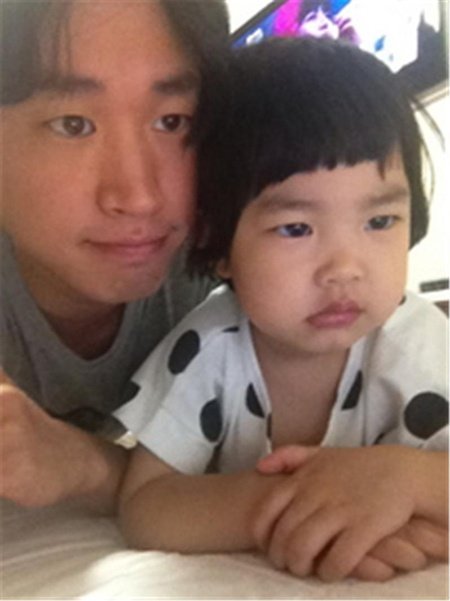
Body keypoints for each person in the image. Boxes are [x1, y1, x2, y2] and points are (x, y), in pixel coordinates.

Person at [116, 38, 448, 582]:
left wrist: (410, 481)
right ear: (219, 245)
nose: (345, 268)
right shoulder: (209, 348)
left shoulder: (420, 344)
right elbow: (145, 504)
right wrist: (294, 510)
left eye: (380, 221)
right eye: (295, 228)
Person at [0, 0, 230, 513]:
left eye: (172, 121)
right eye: (73, 124)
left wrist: (81, 462)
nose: (139, 196)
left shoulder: (224, 261)